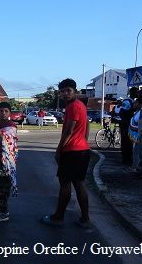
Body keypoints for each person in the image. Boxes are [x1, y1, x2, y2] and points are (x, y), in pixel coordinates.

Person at [41, 78, 91, 228]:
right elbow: (87, 125)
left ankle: (58, 217)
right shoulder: (80, 105)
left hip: (72, 152)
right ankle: (85, 218)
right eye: (62, 91)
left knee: (65, 184)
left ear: (75, 91)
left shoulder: (73, 106)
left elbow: (69, 131)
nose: (65, 94)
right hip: (83, 150)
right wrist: (84, 141)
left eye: (68, 91)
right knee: (79, 183)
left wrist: (58, 150)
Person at [117, 87, 139, 166]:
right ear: (132, 92)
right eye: (137, 92)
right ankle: (125, 159)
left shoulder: (134, 101)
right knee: (126, 143)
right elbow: (121, 113)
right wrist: (127, 123)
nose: (138, 94)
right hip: (126, 126)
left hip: (131, 125)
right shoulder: (127, 101)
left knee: (130, 143)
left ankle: (128, 159)